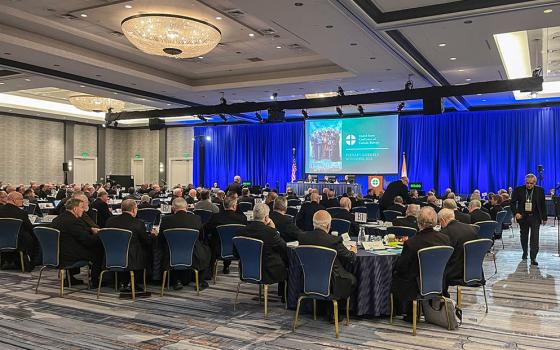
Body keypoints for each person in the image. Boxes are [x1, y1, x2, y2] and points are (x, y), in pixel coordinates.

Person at [391, 207, 450, 322]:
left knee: (397, 275)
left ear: (418, 223)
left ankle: (404, 312)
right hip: (440, 282)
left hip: (415, 287)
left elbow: (401, 268)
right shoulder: (445, 240)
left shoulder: (412, 243)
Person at [298, 210, 356, 299]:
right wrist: (353, 250)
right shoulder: (334, 240)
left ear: (313, 224)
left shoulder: (302, 237)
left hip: (306, 281)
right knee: (352, 279)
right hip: (332, 284)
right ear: (329, 225)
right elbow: (351, 258)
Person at [159, 198, 211, 290]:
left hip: (171, 255)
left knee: (163, 247)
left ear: (173, 208)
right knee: (206, 249)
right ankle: (200, 280)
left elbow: (161, 239)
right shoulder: (196, 218)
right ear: (187, 207)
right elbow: (201, 237)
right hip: (193, 255)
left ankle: (176, 281)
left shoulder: (166, 220)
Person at [51, 198, 103, 285]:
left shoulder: (57, 219)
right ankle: (95, 280)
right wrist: (100, 235)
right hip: (70, 255)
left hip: (58, 253)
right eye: (82, 207)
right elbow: (87, 240)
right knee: (99, 250)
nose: (83, 210)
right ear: (75, 209)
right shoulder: (74, 221)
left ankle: (71, 278)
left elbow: (75, 231)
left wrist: (90, 229)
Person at [105, 199, 155, 290]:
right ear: (133, 210)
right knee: (146, 250)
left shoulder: (110, 221)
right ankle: (132, 282)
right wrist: (152, 235)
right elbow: (146, 241)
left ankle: (121, 282)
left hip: (111, 257)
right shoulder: (138, 223)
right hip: (132, 259)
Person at [235, 203, 288, 288]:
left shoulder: (240, 232)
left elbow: (236, 254)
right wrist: (274, 229)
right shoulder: (271, 232)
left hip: (246, 271)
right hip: (268, 273)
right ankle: (285, 298)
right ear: (267, 217)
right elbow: (284, 248)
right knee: (289, 265)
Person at [438, 208, 479, 293]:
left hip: (455, 273)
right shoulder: (472, 229)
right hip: (475, 271)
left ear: (442, 220)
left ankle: (439, 299)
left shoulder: (444, 234)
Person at [510, 173, 547, 265]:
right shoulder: (519, 189)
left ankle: (533, 257)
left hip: (535, 216)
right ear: (525, 182)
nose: (529, 185)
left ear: (535, 183)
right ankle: (525, 252)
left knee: (535, 237)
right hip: (523, 217)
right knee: (524, 236)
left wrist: (544, 217)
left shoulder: (540, 190)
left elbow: (543, 205)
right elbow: (512, 203)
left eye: (531, 183)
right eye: (527, 183)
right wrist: (516, 213)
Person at [205, 197, 247, 274]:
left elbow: (207, 229)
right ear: (235, 206)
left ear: (223, 206)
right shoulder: (242, 218)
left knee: (212, 239)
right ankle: (226, 266)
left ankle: (210, 269)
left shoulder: (215, 217)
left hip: (218, 249)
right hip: (237, 249)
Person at [0, 191, 36, 270]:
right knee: (32, 236)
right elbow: (29, 227)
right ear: (14, 200)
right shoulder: (21, 213)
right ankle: (30, 263)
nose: (22, 201)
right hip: (18, 242)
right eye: (21, 199)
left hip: (1, 240)